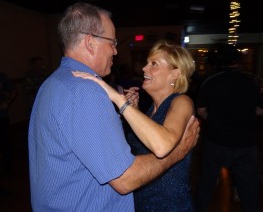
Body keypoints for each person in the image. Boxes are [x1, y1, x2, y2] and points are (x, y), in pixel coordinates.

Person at [28, 2, 200, 212]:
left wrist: (125, 108)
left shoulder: (55, 83)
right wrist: (179, 151)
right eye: (113, 42)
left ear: (175, 73)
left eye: (154, 63)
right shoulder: (84, 91)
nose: (116, 51)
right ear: (91, 43)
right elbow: (124, 179)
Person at [73, 39, 196, 211]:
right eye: (147, 63)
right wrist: (133, 110)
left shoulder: (182, 101)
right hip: (141, 197)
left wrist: (118, 98)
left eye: (154, 64)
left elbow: (162, 146)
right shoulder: (150, 110)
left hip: (169, 204)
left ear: (175, 73)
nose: (145, 68)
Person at [195, 43, 263, 212]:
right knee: (249, 189)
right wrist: (249, 114)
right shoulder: (253, 81)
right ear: (237, 61)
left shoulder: (209, 81)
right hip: (245, 143)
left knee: (206, 184)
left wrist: (216, 120)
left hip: (216, 141)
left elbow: (201, 111)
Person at [0, 72, 17, 176]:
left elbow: (13, 90)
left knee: (5, 144)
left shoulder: (2, 76)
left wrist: (7, 102)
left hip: (1, 117)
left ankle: (8, 171)